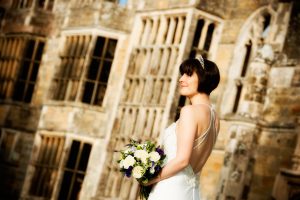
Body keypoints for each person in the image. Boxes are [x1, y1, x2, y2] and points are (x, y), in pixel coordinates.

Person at [146, 56, 220, 200]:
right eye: (182, 74)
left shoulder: (189, 111)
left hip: (170, 190)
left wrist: (149, 179)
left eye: (189, 74)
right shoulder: (215, 118)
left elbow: (182, 160)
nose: (181, 79)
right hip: (191, 193)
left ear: (203, 78)